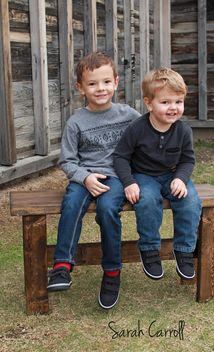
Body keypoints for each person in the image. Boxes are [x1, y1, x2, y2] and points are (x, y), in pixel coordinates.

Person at [47, 52, 140, 309]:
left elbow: (145, 140)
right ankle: (62, 265)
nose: (100, 88)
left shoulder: (129, 115)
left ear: (116, 82)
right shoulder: (76, 122)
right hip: (85, 177)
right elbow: (67, 160)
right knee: (72, 204)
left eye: (106, 82)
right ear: (80, 88)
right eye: (92, 83)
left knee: (108, 209)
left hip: (116, 176)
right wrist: (84, 178)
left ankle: (112, 271)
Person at [113, 68, 202, 281]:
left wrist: (180, 178)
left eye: (178, 102)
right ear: (149, 103)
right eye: (165, 102)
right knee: (147, 200)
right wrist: (129, 182)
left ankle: (184, 250)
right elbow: (120, 157)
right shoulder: (137, 128)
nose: (173, 108)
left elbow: (187, 159)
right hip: (144, 176)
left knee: (189, 199)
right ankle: (150, 249)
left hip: (172, 176)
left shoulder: (183, 131)